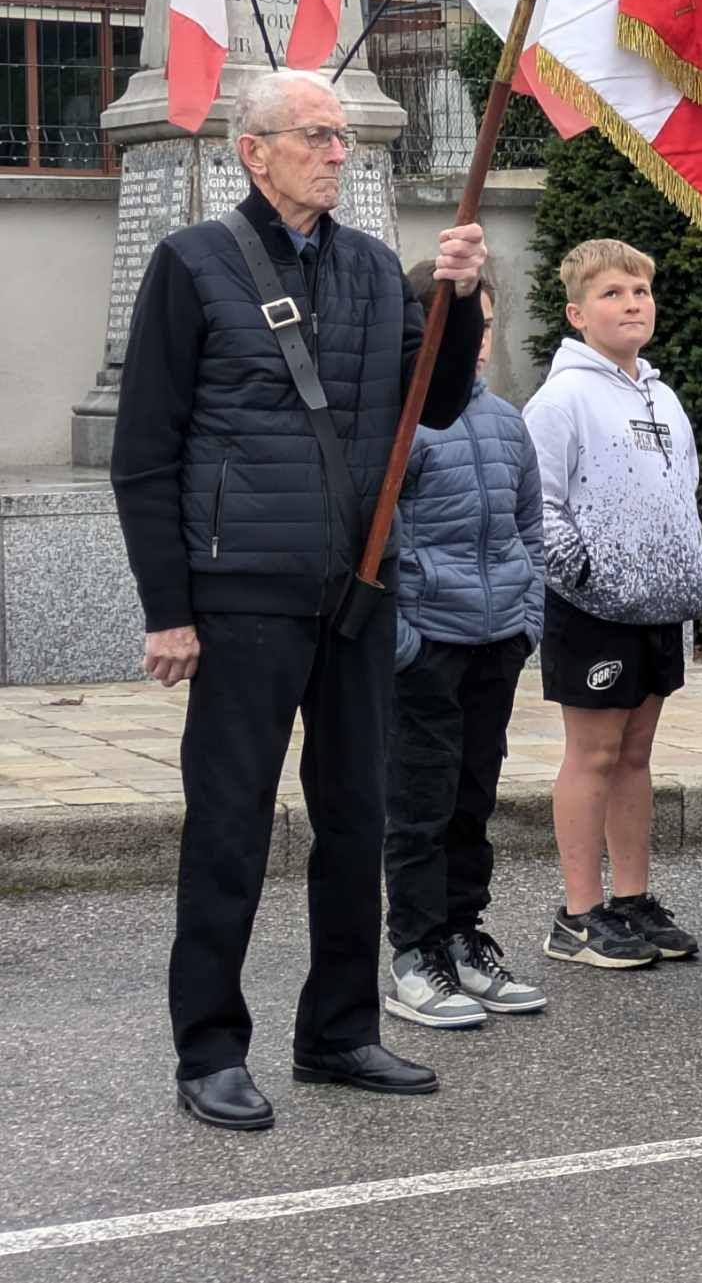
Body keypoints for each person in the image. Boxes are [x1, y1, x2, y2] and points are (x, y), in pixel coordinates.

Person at [111, 68, 489, 1131]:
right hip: (240, 596)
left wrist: (452, 307)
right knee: (229, 825)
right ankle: (211, 1049)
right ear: (255, 149)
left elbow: (441, 401)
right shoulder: (193, 265)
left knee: (355, 817)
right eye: (317, 136)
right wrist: (167, 607)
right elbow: (146, 454)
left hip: (358, 592)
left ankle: (338, 1031)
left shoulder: (374, 267)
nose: (338, 152)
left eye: (343, 139)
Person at [524, 239, 702, 968]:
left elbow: (681, 496)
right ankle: (578, 912)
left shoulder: (662, 397)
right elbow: (538, 505)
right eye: (612, 293)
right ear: (577, 313)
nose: (631, 302)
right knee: (594, 754)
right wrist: (590, 577)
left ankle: (631, 898)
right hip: (592, 609)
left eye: (639, 290)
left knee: (636, 755)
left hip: (658, 608)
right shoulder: (562, 398)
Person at [381, 263, 549, 1029]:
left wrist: (527, 621)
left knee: (472, 799)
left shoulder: (507, 420)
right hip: (428, 643)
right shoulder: (401, 417)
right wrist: (405, 640)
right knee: (420, 802)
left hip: (495, 641)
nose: (477, 344)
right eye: (463, 327)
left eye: (483, 326)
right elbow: (373, 539)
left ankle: (462, 931)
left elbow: (529, 528)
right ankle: (415, 949)